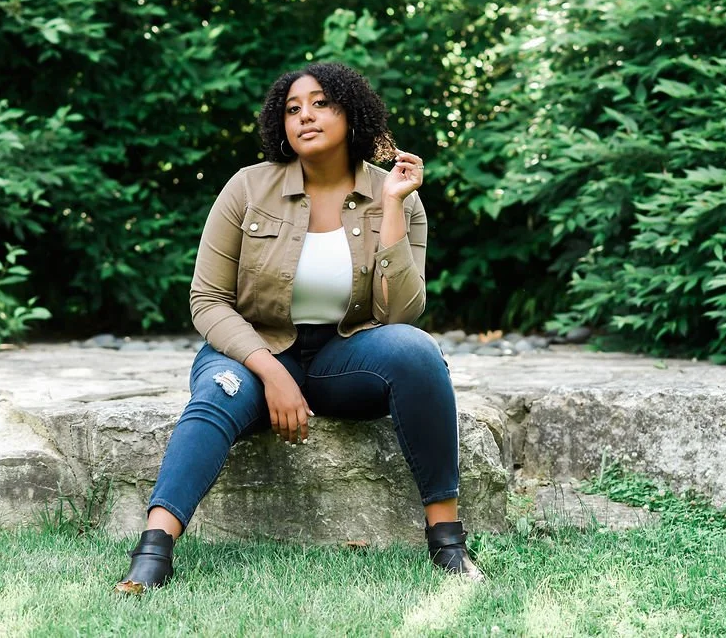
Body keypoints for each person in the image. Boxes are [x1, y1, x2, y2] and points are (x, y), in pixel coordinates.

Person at [115, 62, 484, 594]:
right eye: (293, 109)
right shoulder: (248, 187)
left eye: (320, 103)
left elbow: (400, 315)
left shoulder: (395, 193)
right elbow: (207, 300)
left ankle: (447, 542)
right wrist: (271, 373)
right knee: (220, 390)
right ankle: (154, 551)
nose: (305, 116)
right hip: (252, 349)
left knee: (418, 352)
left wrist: (393, 207)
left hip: (346, 356)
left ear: (351, 113)